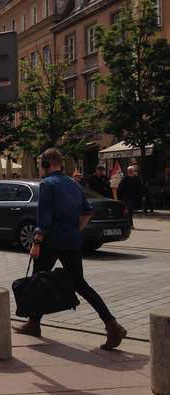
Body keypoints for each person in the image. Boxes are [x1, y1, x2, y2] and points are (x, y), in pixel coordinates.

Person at [14, 148, 126, 350]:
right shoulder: (73, 183)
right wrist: (75, 230)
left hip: (50, 242)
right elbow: (87, 212)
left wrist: (36, 242)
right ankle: (111, 324)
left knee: (38, 279)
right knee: (80, 284)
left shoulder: (47, 184)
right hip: (72, 241)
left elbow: (45, 218)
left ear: (46, 164)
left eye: (41, 165)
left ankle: (34, 324)